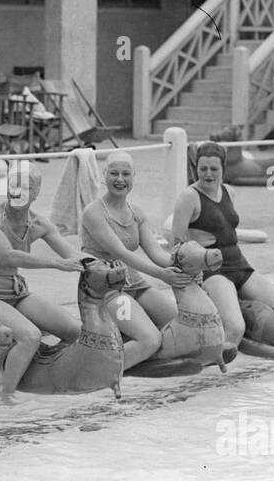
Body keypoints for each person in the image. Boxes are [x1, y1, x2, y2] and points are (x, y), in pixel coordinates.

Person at [0, 161, 85, 398]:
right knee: (30, 336)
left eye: (25, 187)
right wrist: (54, 264)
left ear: (37, 192)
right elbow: (7, 255)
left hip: (16, 292)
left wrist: (106, 265)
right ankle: (7, 397)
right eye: (13, 183)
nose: (17, 190)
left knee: (76, 331)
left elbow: (72, 255)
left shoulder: (40, 224)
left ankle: (46, 371)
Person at [171, 142, 274, 354]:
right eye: (203, 169)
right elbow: (176, 247)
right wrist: (191, 281)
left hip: (239, 264)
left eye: (214, 169)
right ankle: (214, 372)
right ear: (196, 168)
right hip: (214, 271)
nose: (208, 174)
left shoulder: (229, 191)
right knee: (236, 328)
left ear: (223, 169)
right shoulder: (189, 197)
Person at [79, 151, 193, 369]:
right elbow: (121, 252)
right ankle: (102, 374)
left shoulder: (137, 213)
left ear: (133, 177)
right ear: (104, 176)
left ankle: (137, 359)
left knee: (181, 325)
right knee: (150, 339)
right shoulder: (93, 212)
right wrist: (161, 276)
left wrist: (184, 262)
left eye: (126, 174)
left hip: (133, 282)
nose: (120, 179)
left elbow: (157, 254)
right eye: (113, 173)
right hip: (104, 287)